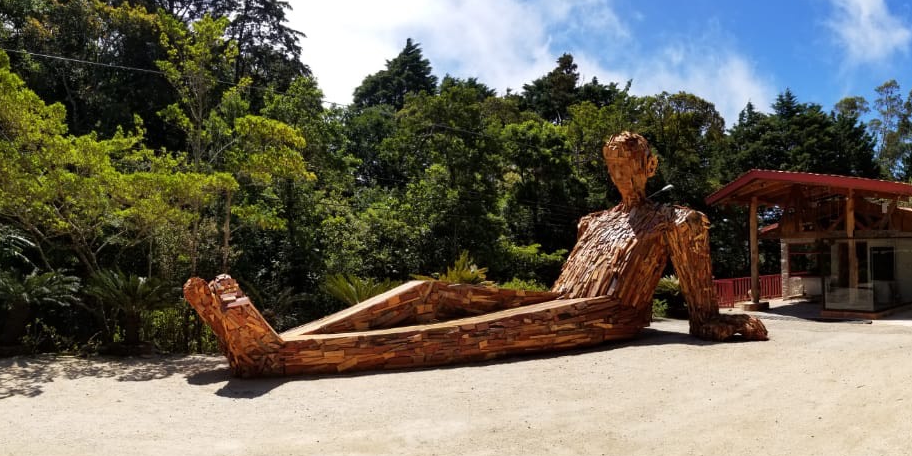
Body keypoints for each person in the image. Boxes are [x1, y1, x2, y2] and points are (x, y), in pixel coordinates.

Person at [185, 132, 767, 377]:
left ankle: (274, 356)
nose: (621, 175)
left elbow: (700, 314)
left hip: (609, 315)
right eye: (612, 167)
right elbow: (560, 292)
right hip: (560, 303)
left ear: (650, 166)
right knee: (429, 294)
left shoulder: (676, 219)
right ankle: (283, 339)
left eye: (629, 165)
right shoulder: (596, 219)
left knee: (480, 329)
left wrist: (719, 322)